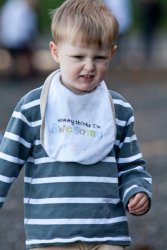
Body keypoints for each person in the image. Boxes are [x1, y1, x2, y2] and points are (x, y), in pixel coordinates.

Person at [0, 1, 152, 250]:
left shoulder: (118, 110)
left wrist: (138, 190)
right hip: (51, 236)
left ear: (112, 54)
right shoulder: (33, 107)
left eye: (100, 57)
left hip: (107, 234)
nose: (89, 66)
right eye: (78, 56)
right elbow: (6, 161)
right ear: (56, 51)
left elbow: (131, 165)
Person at [0, 0, 38, 78]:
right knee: (24, 55)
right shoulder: (26, 8)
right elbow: (27, 26)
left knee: (16, 55)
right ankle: (23, 72)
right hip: (19, 38)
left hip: (8, 38)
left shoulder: (10, 4)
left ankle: (16, 71)